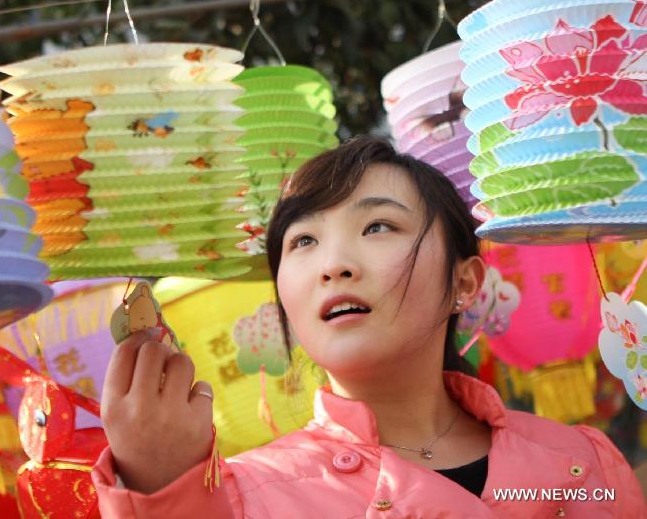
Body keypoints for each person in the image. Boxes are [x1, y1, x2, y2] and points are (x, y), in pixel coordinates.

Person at [92, 136, 646, 517]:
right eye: (303, 241)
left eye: (379, 225)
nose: (334, 264)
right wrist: (156, 488)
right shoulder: (234, 498)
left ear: (466, 281)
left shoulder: (580, 462)